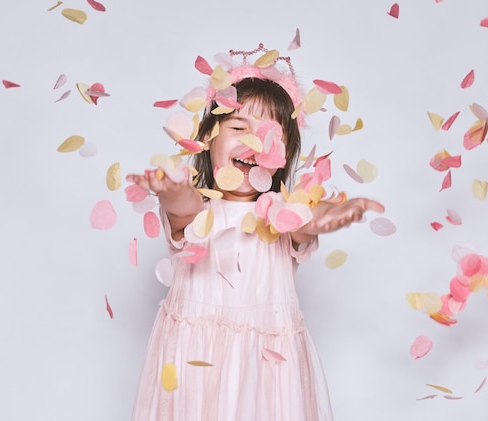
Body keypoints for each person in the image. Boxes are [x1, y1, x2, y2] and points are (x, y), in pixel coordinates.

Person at [127, 44, 384, 421]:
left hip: (267, 376)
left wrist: (327, 215)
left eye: (269, 134)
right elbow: (183, 211)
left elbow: (306, 218)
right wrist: (173, 190)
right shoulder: (200, 209)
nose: (253, 142)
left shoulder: (281, 215)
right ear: (209, 138)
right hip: (196, 369)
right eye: (238, 127)